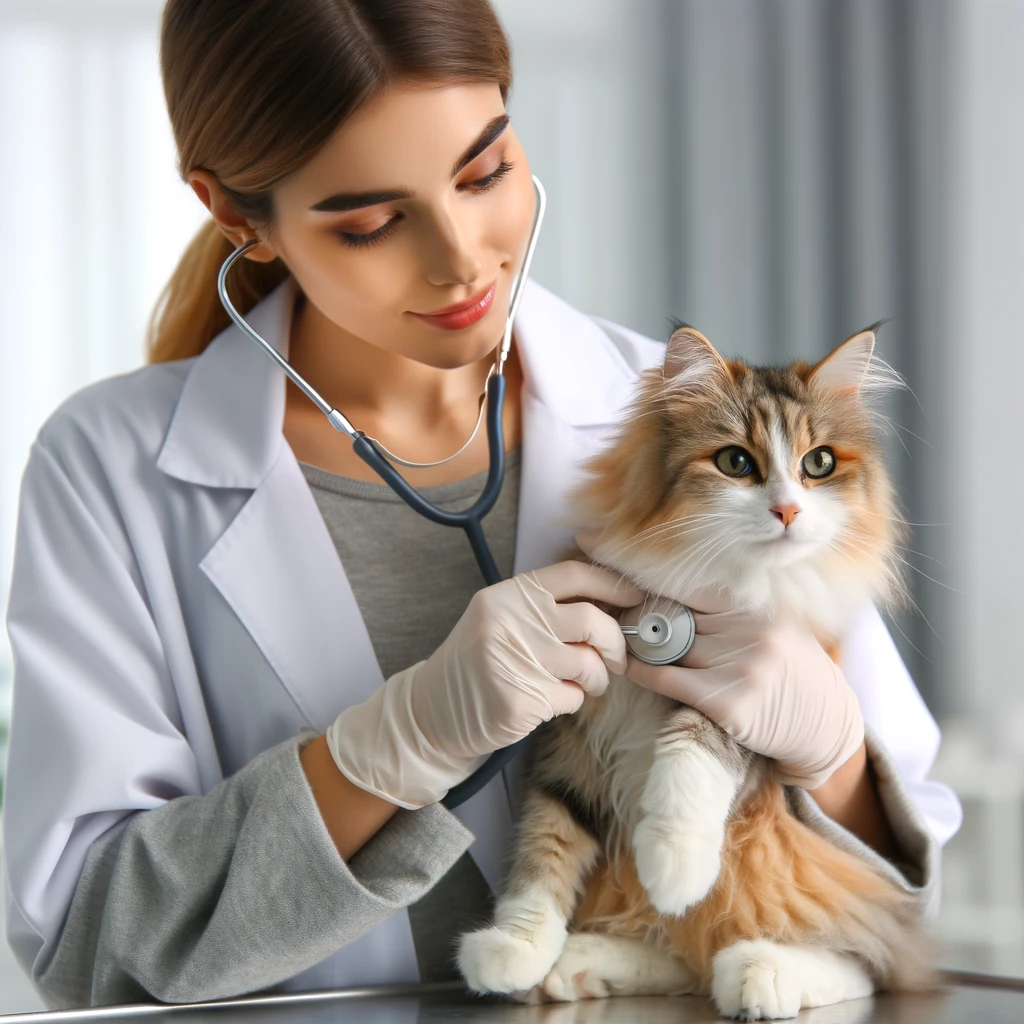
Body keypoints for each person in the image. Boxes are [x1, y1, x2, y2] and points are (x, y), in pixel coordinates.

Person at [1, 0, 961, 1010]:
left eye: (484, 171)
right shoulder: (111, 469)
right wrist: (386, 748)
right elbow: (88, 945)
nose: (459, 257)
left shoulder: (679, 418)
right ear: (237, 215)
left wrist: (833, 749)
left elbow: (898, 890)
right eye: (371, 221)